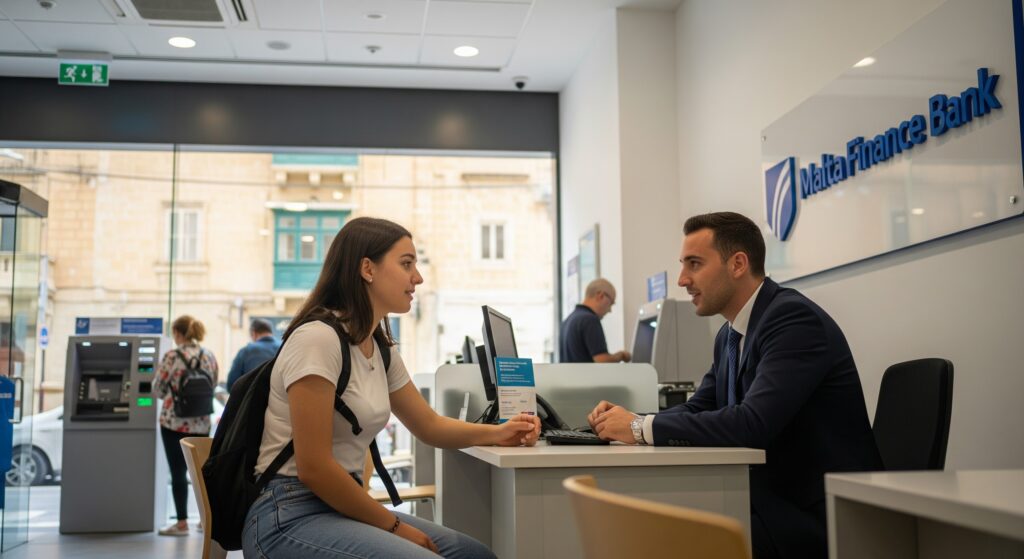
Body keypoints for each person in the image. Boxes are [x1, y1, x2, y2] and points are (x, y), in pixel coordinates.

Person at [587, 212, 881, 559]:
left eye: (694, 264)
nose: (682, 279)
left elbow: (751, 424)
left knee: (667, 544)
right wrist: (628, 420)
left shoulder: (792, 320)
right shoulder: (730, 334)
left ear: (738, 264)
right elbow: (699, 406)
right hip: (766, 500)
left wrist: (638, 428)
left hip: (817, 515)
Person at [244, 216, 540, 559]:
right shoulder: (318, 339)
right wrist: (395, 526)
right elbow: (314, 468)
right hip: (288, 514)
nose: (418, 277)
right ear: (367, 269)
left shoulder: (379, 348)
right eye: (406, 264)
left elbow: (429, 426)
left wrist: (501, 432)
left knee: (475, 555)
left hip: (341, 507)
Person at [153, 315, 219, 536]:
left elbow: (158, 389)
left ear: (178, 333)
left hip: (174, 422)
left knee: (178, 472)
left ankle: (181, 524)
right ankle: (205, 521)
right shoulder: (208, 356)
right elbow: (214, 383)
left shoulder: (172, 356)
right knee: (202, 473)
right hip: (201, 422)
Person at [560, 278, 631, 363]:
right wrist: (621, 355)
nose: (610, 310)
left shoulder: (567, 321)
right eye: (611, 303)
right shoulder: (590, 320)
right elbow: (602, 361)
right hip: (586, 376)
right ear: (600, 296)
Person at [226, 318, 280, 391]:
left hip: (253, 400)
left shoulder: (245, 351)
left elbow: (232, 384)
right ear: (271, 332)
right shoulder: (284, 348)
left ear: (254, 333)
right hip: (281, 400)